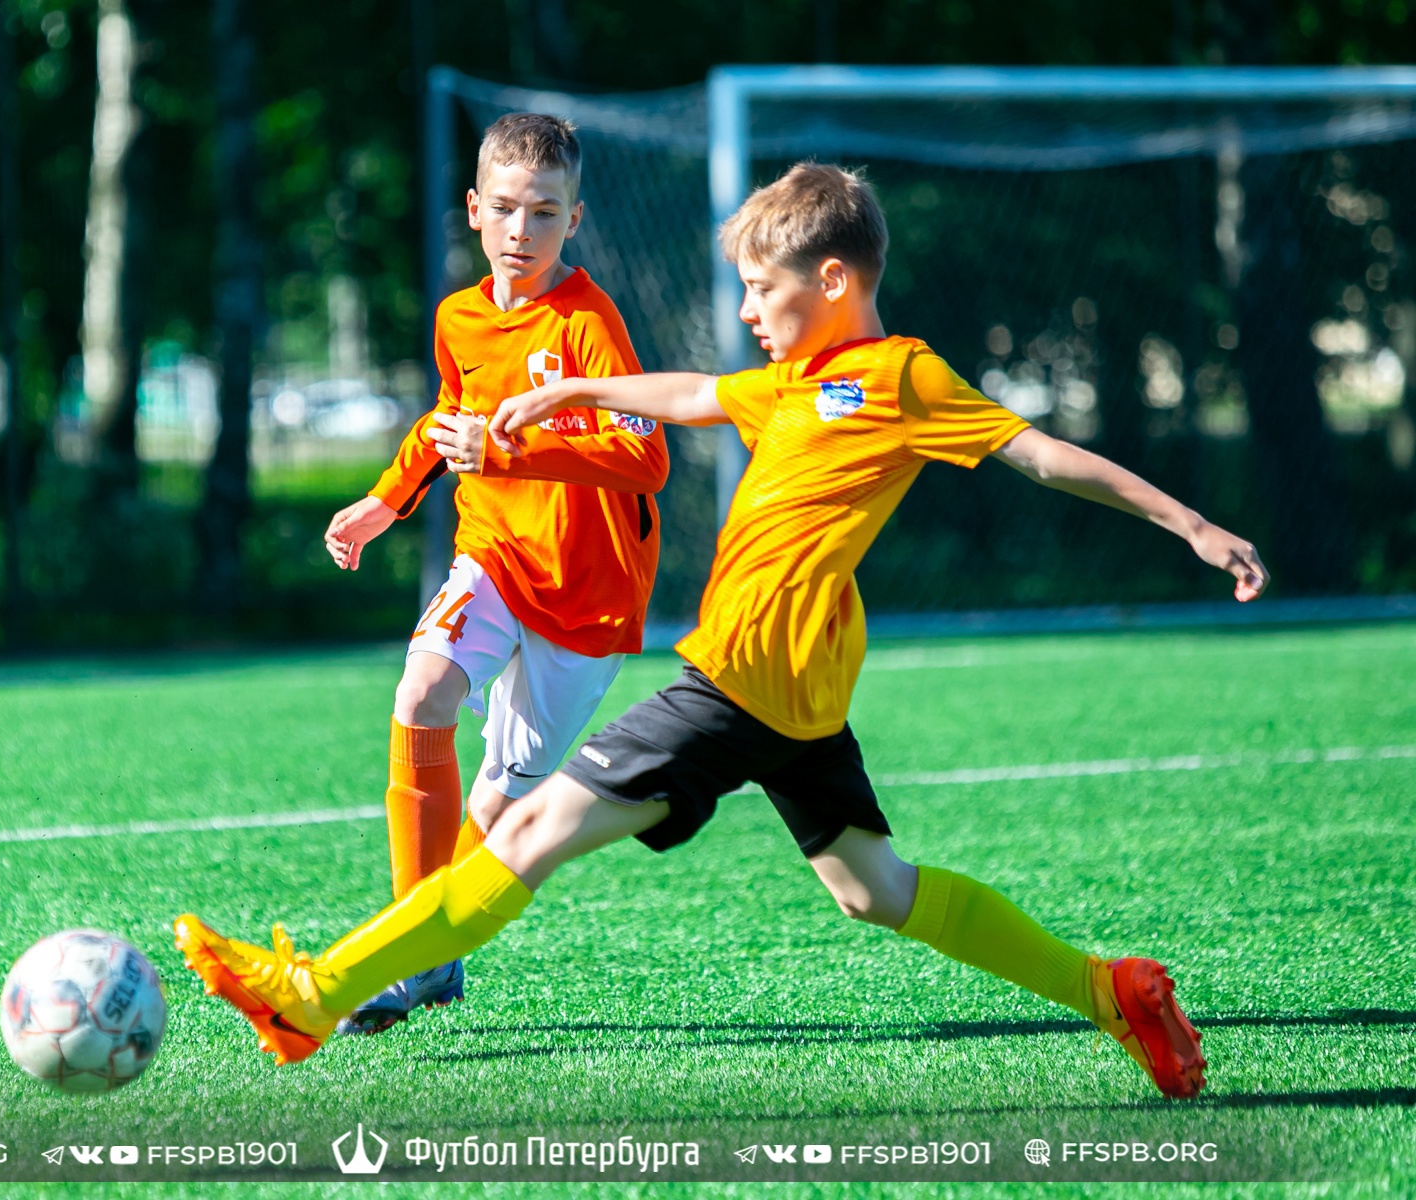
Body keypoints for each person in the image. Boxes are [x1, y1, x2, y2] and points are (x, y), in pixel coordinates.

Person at [177, 162, 1269, 1099]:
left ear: (833, 281)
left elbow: (1040, 452)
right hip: (799, 701)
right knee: (874, 890)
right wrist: (572, 396)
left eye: (763, 287)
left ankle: (313, 996)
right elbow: (697, 392)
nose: (749, 307)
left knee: (522, 835)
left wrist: (1191, 523)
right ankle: (1111, 991)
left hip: (737, 682)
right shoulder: (792, 382)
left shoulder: (901, 378)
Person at [314, 111, 667, 1034]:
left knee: (498, 806)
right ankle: (405, 949)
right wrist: (386, 502)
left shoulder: (589, 324)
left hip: (587, 602)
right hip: (494, 558)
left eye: (543, 214)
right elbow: (448, 420)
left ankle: (434, 955)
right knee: (421, 688)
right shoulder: (458, 318)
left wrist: (513, 451)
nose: (522, 232)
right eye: (506, 210)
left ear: (573, 221)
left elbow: (645, 459)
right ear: (475, 210)